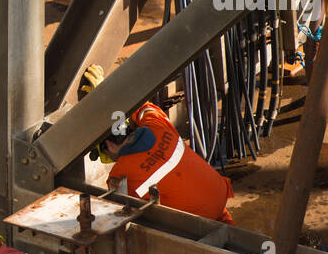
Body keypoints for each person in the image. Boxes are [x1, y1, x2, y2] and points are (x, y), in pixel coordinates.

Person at [82, 65, 235, 224]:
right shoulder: (157, 125)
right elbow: (142, 106)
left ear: (109, 145)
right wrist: (107, 97)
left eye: (105, 155)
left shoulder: (119, 175)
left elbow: (123, 216)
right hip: (217, 198)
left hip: (196, 222)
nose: (111, 159)